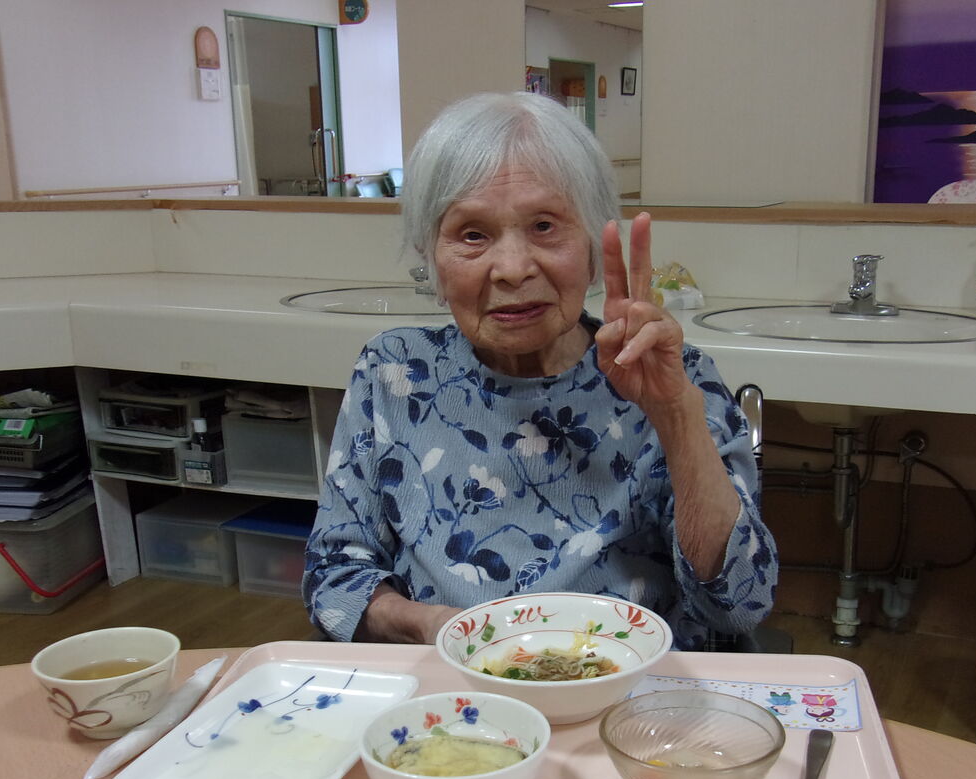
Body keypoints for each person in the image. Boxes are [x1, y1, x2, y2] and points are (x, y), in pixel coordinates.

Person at [304, 91, 777, 651]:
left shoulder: (671, 373)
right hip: (451, 684)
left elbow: (738, 605)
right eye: (473, 234)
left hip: (629, 687)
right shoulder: (396, 372)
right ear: (430, 256)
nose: (511, 268)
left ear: (594, 244)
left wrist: (675, 416)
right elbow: (334, 578)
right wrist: (432, 627)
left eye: (545, 225)